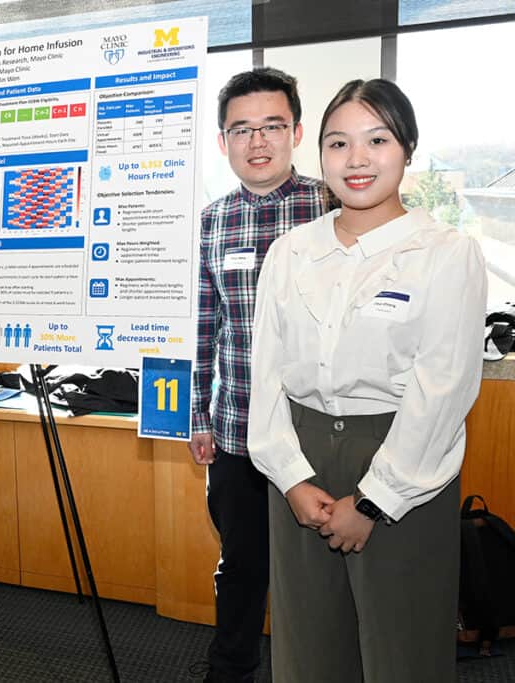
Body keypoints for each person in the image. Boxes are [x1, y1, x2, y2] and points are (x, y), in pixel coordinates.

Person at [248, 78, 486, 682]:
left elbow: (443, 390)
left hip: (404, 458)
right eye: (338, 143)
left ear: (406, 148)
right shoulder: (291, 251)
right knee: (306, 646)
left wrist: (376, 500)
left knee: (400, 647)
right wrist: (292, 478)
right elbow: (267, 376)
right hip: (299, 461)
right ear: (318, 154)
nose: (356, 160)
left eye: (376, 140)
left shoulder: (445, 253)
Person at [188, 67, 323, 683]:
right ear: (223, 142)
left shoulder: (333, 205)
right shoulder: (210, 221)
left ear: (295, 130)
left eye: (272, 125)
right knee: (241, 565)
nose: (258, 140)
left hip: (318, 431)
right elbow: (202, 328)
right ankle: (231, 670)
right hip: (239, 432)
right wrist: (198, 417)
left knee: (320, 569)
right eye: (241, 129)